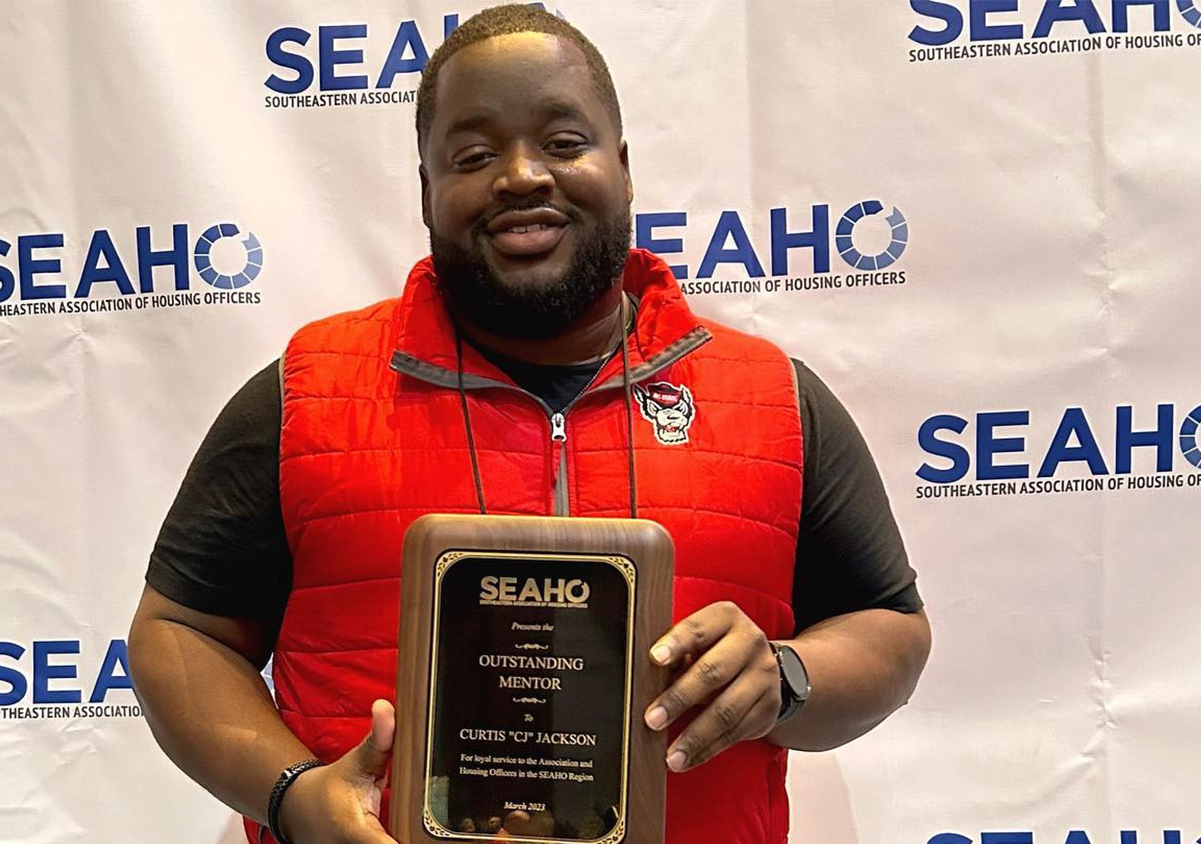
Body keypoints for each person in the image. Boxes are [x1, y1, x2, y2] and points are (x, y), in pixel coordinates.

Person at [129, 6, 931, 844]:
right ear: (426, 191)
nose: (521, 176)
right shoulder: (305, 393)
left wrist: (785, 675)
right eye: (473, 156)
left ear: (622, 168)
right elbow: (178, 634)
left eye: (561, 142)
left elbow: (890, 630)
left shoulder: (771, 399)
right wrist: (293, 794)